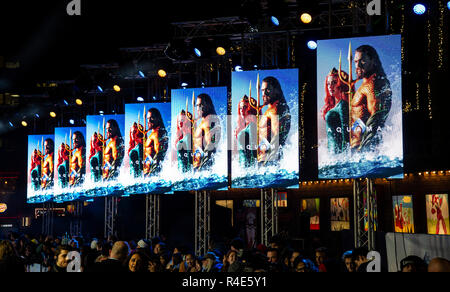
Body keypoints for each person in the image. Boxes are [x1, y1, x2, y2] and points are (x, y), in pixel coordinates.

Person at [351, 45, 392, 151]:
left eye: (362, 61)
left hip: (365, 150)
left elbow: (376, 119)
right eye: (355, 61)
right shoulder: (365, 84)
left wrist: (363, 149)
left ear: (373, 60)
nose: (358, 65)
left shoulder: (372, 84)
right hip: (358, 148)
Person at [257, 76, 291, 165]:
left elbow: (276, 136)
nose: (264, 94)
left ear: (276, 90)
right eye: (262, 90)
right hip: (266, 160)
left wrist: (266, 162)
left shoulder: (275, 110)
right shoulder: (271, 109)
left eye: (267, 90)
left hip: (268, 162)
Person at [321, 68, 351, 154]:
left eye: (334, 83)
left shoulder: (343, 105)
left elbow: (346, 134)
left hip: (339, 156)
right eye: (328, 84)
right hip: (332, 155)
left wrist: (346, 156)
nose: (330, 86)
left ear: (341, 84)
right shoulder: (336, 106)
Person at [192, 93, 221, 171]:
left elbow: (211, 145)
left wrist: (202, 169)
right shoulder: (203, 120)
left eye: (200, 105)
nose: (198, 108)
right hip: (197, 166)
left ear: (207, 105)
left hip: (203, 168)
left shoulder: (209, 120)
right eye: (197, 105)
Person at [235, 95, 259, 168]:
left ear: (250, 108)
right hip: (242, 168)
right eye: (240, 108)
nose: (242, 110)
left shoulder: (252, 125)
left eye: (245, 107)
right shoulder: (244, 126)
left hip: (249, 170)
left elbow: (254, 149)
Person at [143, 108, 168, 176]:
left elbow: (159, 155)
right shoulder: (154, 133)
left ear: (158, 118)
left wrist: (151, 174)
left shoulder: (157, 133)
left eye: (152, 118)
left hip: (151, 174)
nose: (149, 121)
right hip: (148, 172)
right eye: (147, 118)